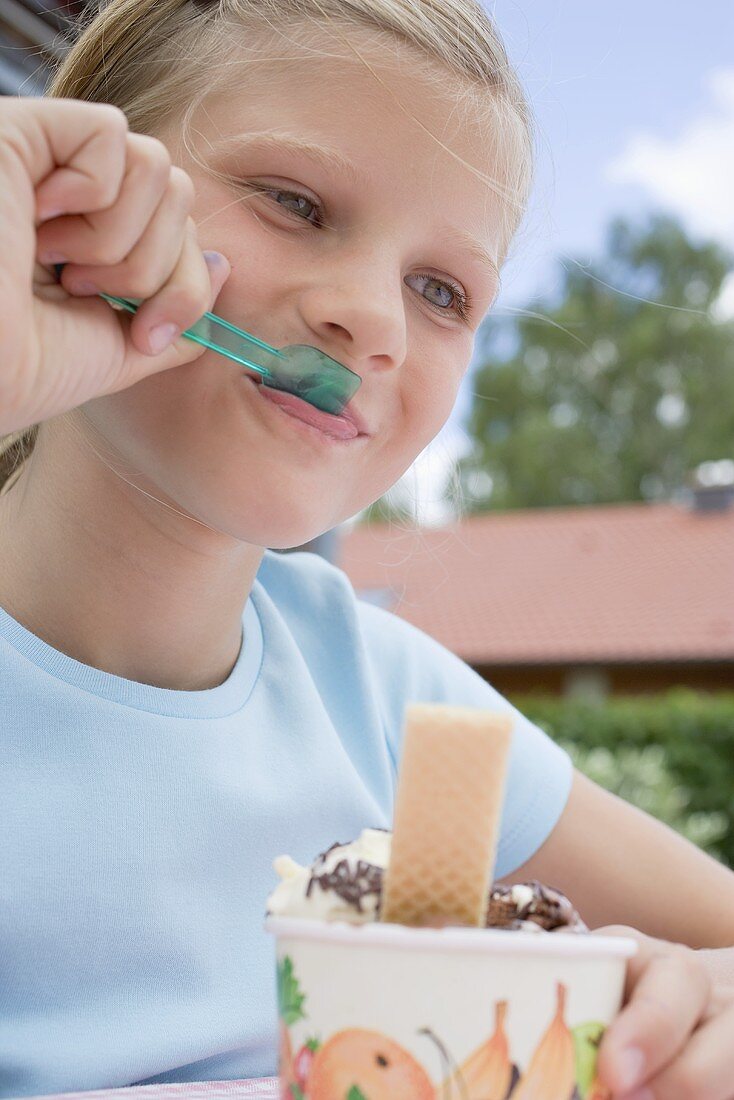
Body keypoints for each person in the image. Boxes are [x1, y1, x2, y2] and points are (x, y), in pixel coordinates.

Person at [0, 0, 733, 1096]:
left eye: (440, 291)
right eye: (295, 203)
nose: (374, 323)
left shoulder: (391, 707)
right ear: (71, 189)